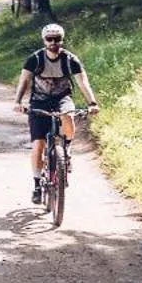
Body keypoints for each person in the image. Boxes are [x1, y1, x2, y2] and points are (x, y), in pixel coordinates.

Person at [13, 21, 99, 204]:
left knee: (68, 116)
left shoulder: (70, 60)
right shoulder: (35, 59)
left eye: (57, 39)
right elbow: (25, 81)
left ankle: (66, 149)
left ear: (62, 40)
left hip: (62, 98)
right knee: (38, 144)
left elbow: (83, 83)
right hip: (39, 100)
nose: (53, 42)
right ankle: (37, 185)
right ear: (44, 40)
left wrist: (92, 103)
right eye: (49, 39)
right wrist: (18, 102)